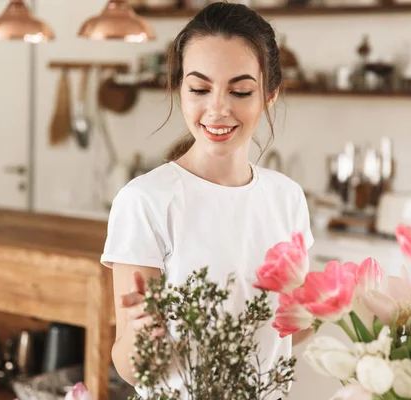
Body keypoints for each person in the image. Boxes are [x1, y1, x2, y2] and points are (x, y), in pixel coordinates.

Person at [100, 2, 314, 398]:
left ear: (269, 95)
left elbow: (292, 332)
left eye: (240, 90)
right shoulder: (145, 201)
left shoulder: (287, 198)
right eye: (199, 89)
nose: (217, 108)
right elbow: (131, 367)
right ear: (179, 88)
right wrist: (146, 333)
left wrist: (331, 304)